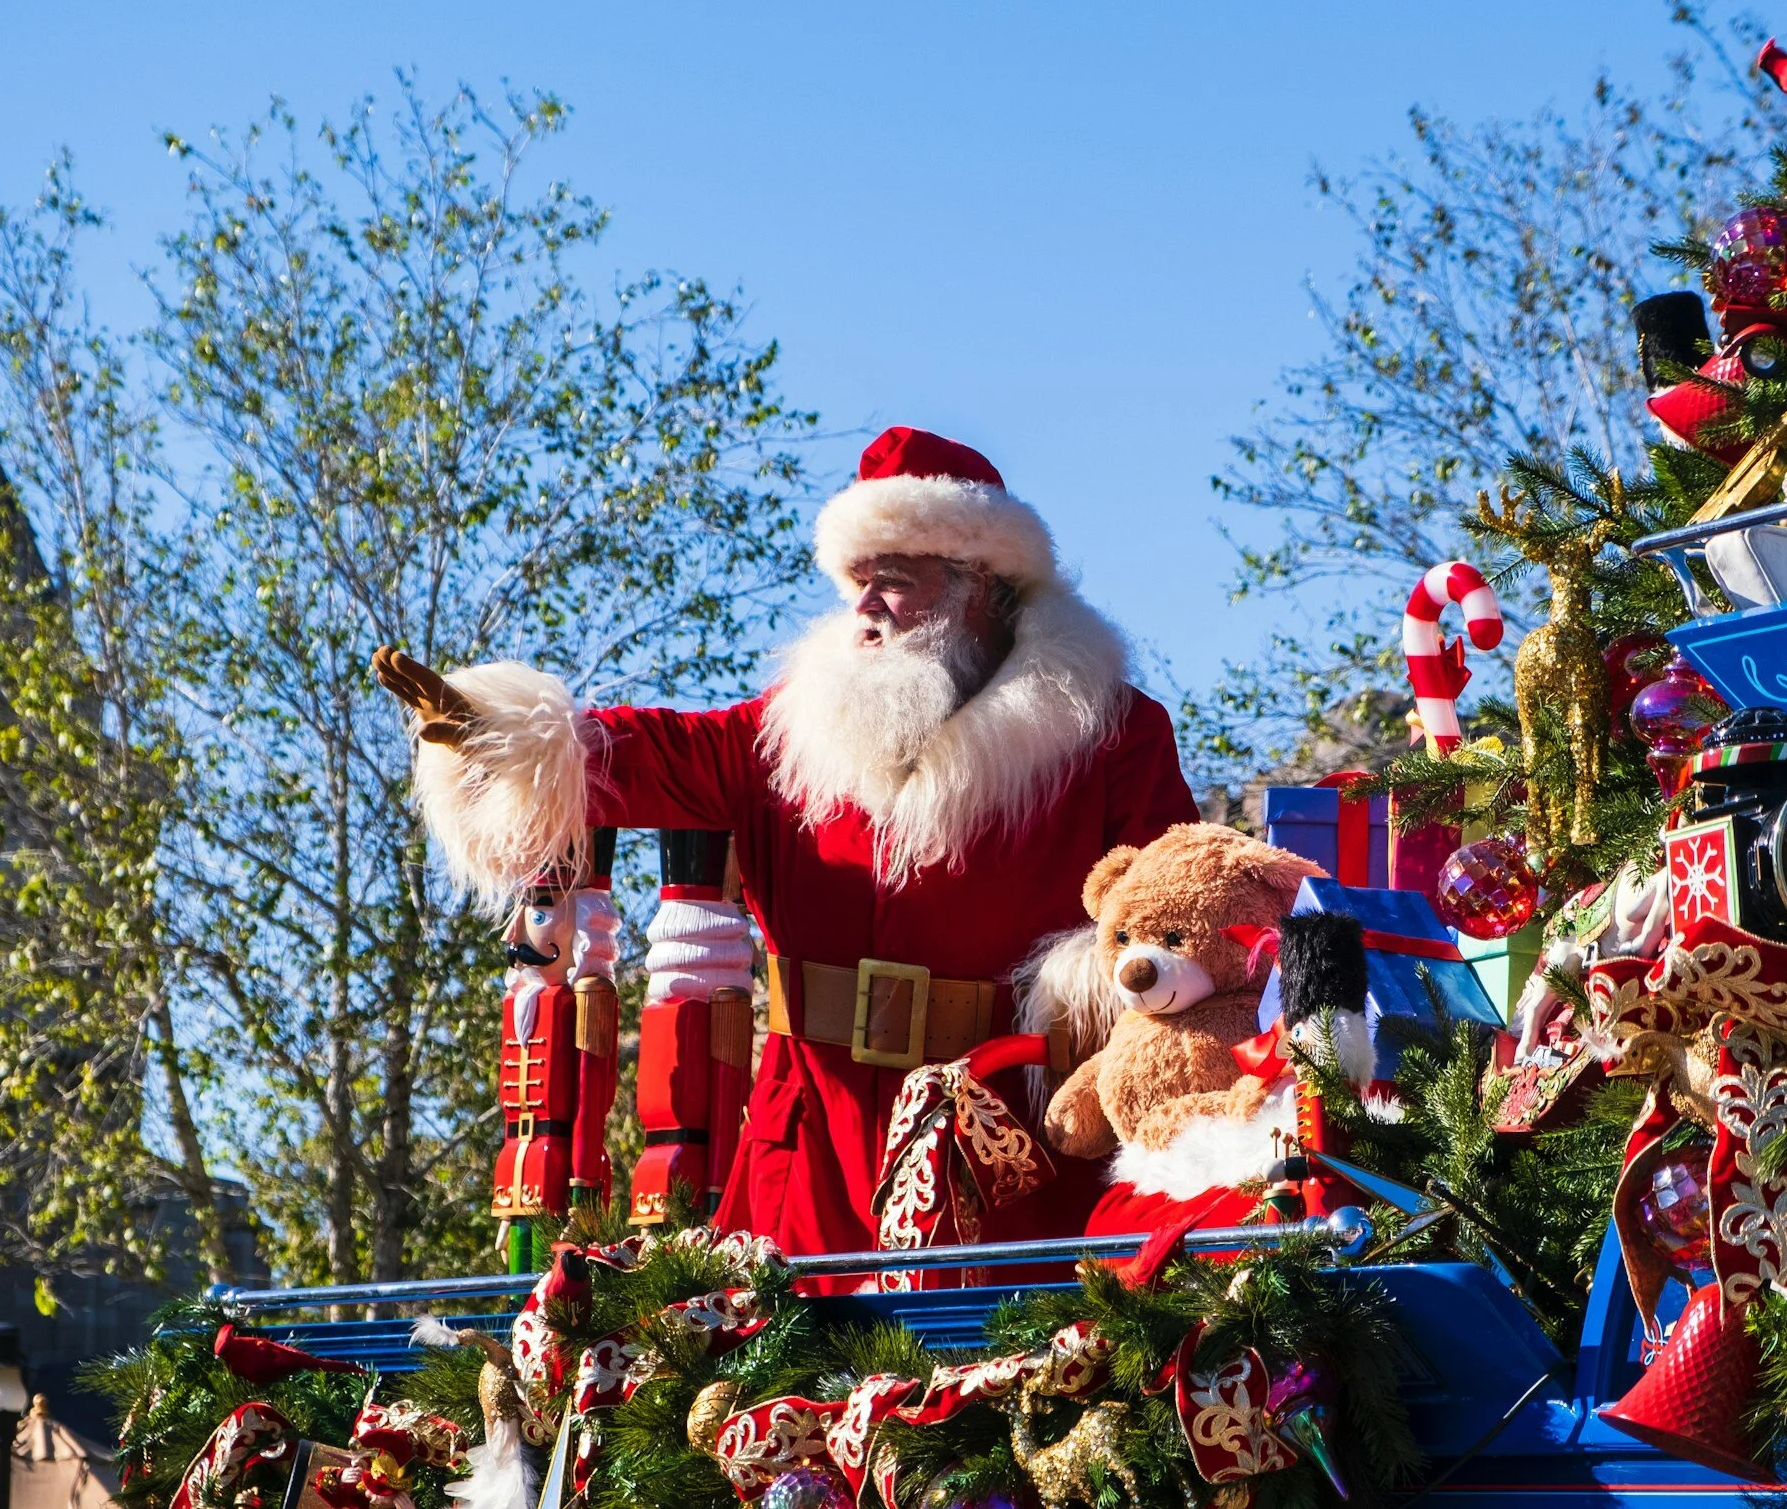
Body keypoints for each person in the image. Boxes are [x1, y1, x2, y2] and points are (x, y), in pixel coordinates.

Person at [373, 425, 1199, 1257]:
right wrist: (501, 732)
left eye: (895, 582)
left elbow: (1181, 921)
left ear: (979, 582)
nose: (867, 606)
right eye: (859, 581)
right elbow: (644, 753)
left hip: (1014, 1157)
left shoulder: (1112, 734)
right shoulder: (788, 729)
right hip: (808, 1156)